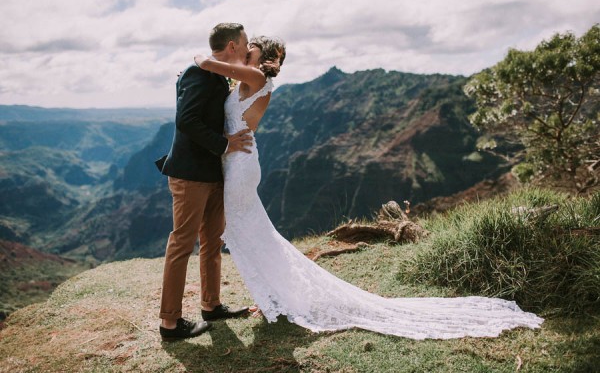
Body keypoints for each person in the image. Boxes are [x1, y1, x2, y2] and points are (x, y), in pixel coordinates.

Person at [193, 37, 544, 339]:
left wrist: (193, 67)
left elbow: (208, 62)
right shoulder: (247, 81)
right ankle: (275, 295)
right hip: (235, 158)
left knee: (248, 231)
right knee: (252, 232)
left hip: (239, 164)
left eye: (250, 48)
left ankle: (277, 296)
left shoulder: (254, 76)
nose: (245, 52)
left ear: (260, 56)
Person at [156, 23, 253, 342]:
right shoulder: (196, 73)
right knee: (182, 242)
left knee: (213, 241)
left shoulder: (215, 74)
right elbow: (186, 120)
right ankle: (170, 323)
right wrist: (224, 144)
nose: (247, 45)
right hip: (190, 174)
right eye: (245, 42)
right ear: (232, 46)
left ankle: (211, 305)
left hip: (214, 173)